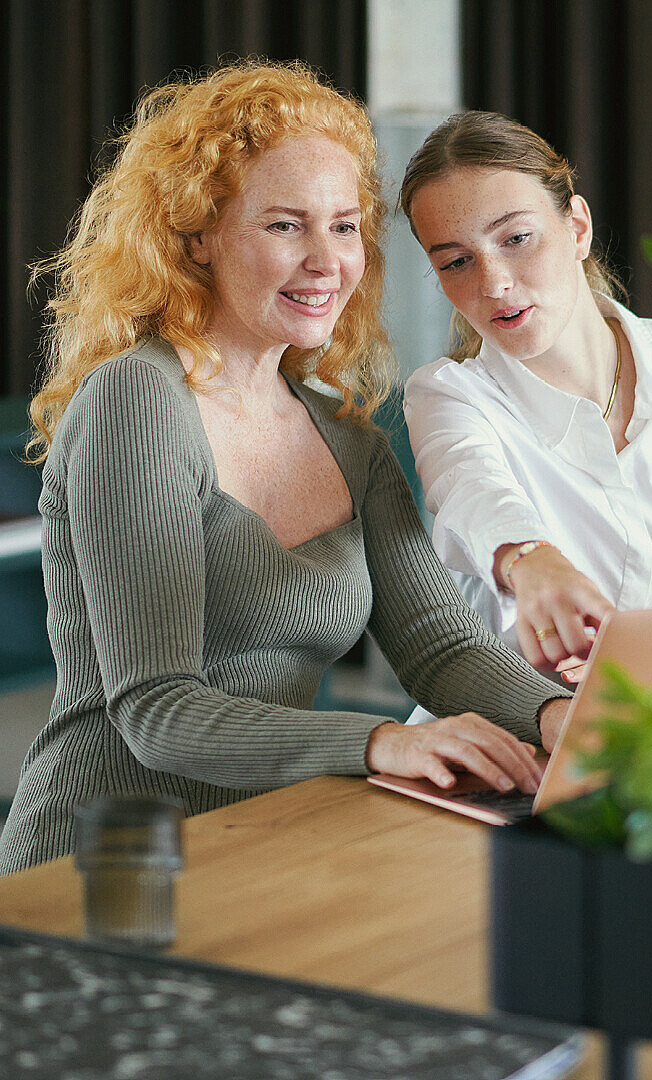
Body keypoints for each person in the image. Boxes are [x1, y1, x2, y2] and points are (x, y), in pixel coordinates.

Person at [0, 66, 571, 875]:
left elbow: (440, 648)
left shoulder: (347, 436)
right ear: (197, 236)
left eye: (343, 227)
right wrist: (383, 743)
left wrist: (567, 723)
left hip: (264, 848)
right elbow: (155, 709)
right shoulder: (135, 400)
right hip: (103, 867)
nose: (326, 261)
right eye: (283, 226)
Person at [398, 110, 652, 690]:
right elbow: (471, 488)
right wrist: (528, 559)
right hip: (523, 731)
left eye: (516, 238)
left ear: (577, 227)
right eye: (456, 261)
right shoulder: (449, 396)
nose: (493, 283)